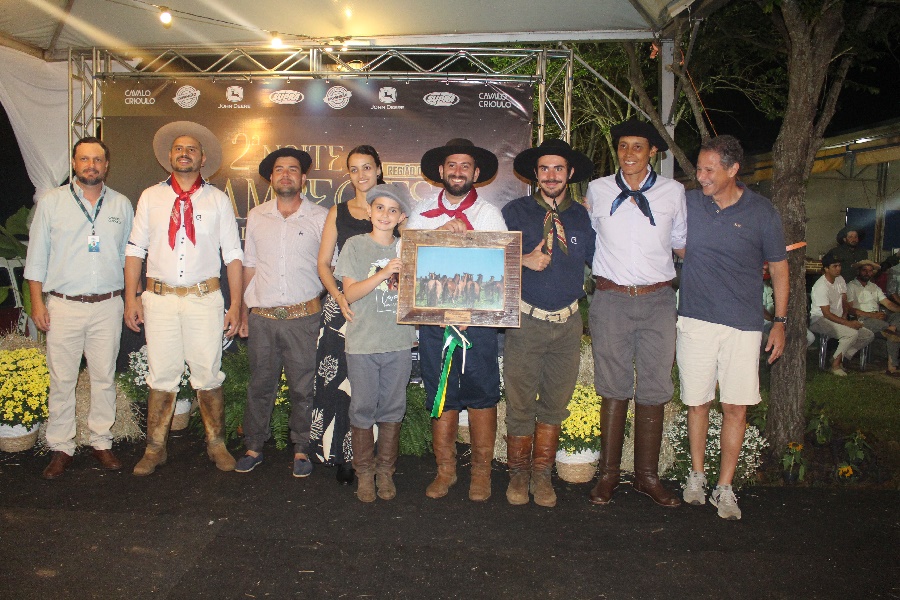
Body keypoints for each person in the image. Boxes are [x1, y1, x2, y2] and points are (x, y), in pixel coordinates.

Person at [677, 135, 789, 520]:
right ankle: (696, 475)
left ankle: (724, 488)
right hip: (694, 318)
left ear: (733, 170)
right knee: (697, 402)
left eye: (709, 170)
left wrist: (780, 322)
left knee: (735, 407)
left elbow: (779, 268)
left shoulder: (763, 212)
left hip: (743, 325)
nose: (701, 176)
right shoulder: (689, 203)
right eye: (699, 168)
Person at [125, 121, 243, 475]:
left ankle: (216, 444)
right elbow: (134, 249)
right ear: (169, 158)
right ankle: (155, 447)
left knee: (208, 372)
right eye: (179, 149)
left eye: (191, 149)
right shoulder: (151, 196)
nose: (184, 153)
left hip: (204, 299)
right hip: (158, 299)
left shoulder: (218, 200)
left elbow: (233, 255)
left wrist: (236, 304)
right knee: (162, 374)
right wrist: (132, 298)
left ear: (203, 158)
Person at [585, 118, 685, 508]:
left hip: (659, 300)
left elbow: (681, 245)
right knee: (613, 384)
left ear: (652, 153)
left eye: (637, 147)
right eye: (623, 146)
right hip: (610, 300)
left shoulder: (674, 192)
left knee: (656, 386)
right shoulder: (597, 189)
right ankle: (608, 474)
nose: (629, 154)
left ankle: (646, 476)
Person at [24, 137, 134, 479]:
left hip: (108, 306)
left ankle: (101, 441)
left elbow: (128, 258)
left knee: (103, 377)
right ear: (74, 164)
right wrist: (38, 303)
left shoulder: (120, 205)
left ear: (106, 165)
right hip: (64, 306)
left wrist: (132, 297)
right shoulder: (52, 202)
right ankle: (61, 447)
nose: (91, 165)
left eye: (97, 160)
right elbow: (36, 257)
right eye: (84, 159)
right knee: (62, 379)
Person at [406, 138, 507, 502]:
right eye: (452, 165)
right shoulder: (420, 213)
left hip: (477, 324)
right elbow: (410, 265)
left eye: (465, 166)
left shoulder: (489, 215)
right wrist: (434, 235)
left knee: (482, 393)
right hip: (435, 323)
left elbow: (500, 269)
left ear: (476, 173)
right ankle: (445, 470)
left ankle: (481, 473)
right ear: (441, 171)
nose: (458, 171)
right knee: (441, 392)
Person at [501, 139, 595, 507]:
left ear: (570, 173)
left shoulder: (582, 217)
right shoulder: (515, 211)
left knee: (556, 403)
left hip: (568, 325)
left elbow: (598, 260)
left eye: (559, 168)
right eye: (544, 169)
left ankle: (542, 475)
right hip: (527, 320)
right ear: (535, 174)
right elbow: (489, 257)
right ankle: (518, 475)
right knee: (521, 402)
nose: (551, 175)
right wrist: (523, 259)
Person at [233, 148, 327, 476]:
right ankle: (254, 446)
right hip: (263, 317)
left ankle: (302, 449)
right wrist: (244, 313)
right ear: (271, 178)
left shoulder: (321, 217)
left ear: (303, 178)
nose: (285, 174)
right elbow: (250, 266)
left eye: (292, 169)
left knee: (304, 386)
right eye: (279, 170)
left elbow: (328, 267)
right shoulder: (257, 215)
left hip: (305, 317)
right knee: (260, 384)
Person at [335, 183, 416, 502]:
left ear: (401, 217)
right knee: (364, 407)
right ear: (368, 211)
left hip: (398, 341)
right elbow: (350, 294)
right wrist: (383, 273)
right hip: (363, 342)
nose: (385, 214)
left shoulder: (409, 248)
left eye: (392, 210)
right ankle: (364, 473)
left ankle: (385, 472)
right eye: (379, 207)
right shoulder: (355, 245)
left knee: (393, 408)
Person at [310, 145, 386, 485]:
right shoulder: (338, 212)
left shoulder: (393, 211)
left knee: (371, 385)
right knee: (338, 384)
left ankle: (370, 459)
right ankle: (341, 456)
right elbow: (324, 263)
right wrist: (339, 296)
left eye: (367, 167)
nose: (361, 175)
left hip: (380, 307)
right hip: (342, 307)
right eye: (354, 169)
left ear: (379, 170)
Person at [808, 251, 874, 376]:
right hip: (819, 320)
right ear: (826, 269)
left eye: (839, 265)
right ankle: (835, 365)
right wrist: (847, 323)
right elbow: (826, 314)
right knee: (851, 333)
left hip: (837, 318)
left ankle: (839, 357)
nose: (838, 269)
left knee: (868, 335)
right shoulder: (821, 286)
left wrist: (845, 316)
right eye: (835, 266)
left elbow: (844, 300)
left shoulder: (840, 279)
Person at [846, 259, 900, 375]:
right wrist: (872, 315)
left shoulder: (874, 287)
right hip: (862, 318)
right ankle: (892, 366)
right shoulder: (851, 286)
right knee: (889, 328)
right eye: (864, 270)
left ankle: (891, 329)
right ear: (859, 271)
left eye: (870, 271)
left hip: (879, 317)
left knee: (897, 317)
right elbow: (850, 309)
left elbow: (888, 304)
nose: (867, 273)